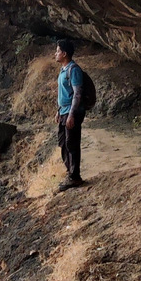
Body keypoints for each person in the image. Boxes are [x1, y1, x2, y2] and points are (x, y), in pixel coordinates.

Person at [54, 39, 85, 192]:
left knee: (72, 143)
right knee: (63, 143)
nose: (55, 54)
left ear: (64, 53)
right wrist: (58, 111)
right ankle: (70, 173)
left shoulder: (74, 70)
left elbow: (77, 94)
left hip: (72, 112)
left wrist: (72, 115)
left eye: (58, 51)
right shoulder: (63, 70)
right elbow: (64, 93)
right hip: (63, 112)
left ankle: (75, 177)